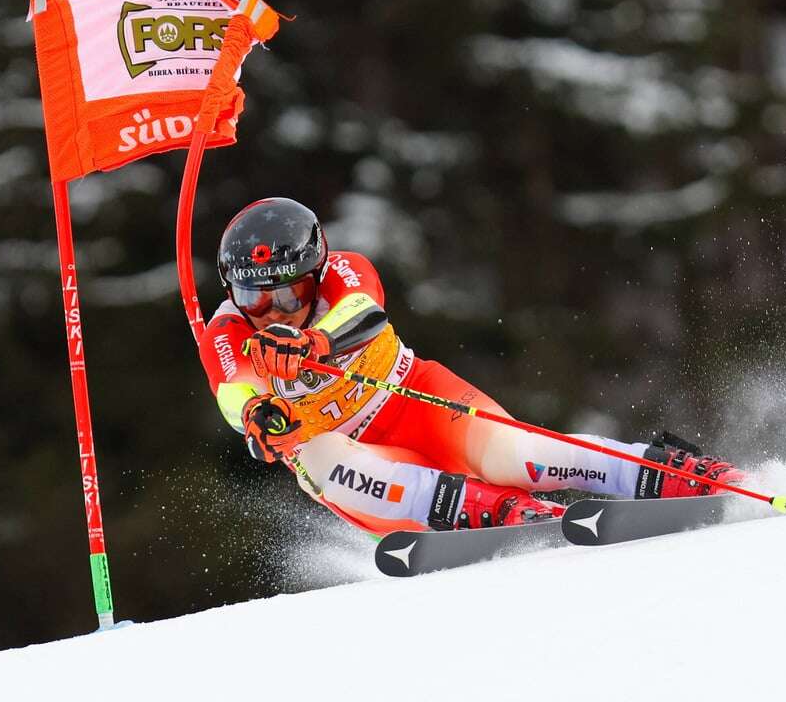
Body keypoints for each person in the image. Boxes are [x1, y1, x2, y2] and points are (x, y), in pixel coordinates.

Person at [198, 197, 745, 535]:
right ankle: (501, 514)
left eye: (288, 295)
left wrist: (315, 341)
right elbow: (232, 391)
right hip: (357, 462)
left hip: (414, 399)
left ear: (315, 274)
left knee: (519, 456)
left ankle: (676, 475)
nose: (270, 311)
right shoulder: (227, 330)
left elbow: (363, 312)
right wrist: (259, 416)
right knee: (318, 460)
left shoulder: (345, 269)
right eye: (253, 296)